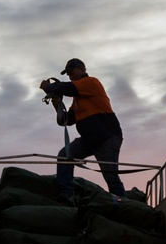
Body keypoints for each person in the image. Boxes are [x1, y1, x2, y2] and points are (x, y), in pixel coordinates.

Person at [39, 59, 126, 202]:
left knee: (110, 176)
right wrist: (57, 103)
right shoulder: (77, 99)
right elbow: (66, 120)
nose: (70, 76)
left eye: (71, 72)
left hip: (106, 137)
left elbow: (67, 88)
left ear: (81, 69)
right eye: (68, 74)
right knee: (64, 155)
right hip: (90, 138)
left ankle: (124, 206)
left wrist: (49, 87)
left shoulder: (91, 83)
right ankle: (66, 195)